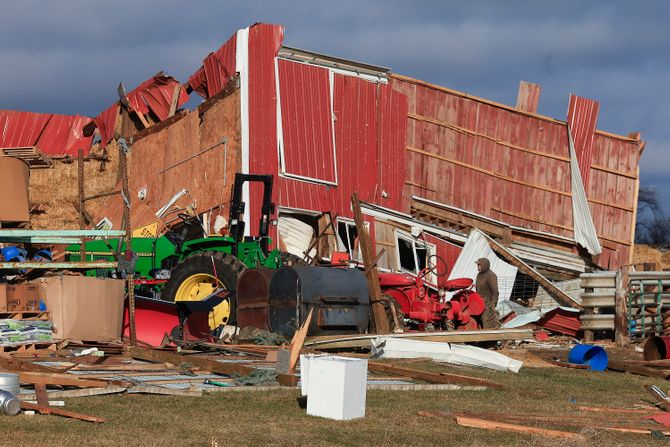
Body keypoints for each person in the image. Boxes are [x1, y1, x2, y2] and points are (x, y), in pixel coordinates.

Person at [475, 258, 500, 329]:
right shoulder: (479, 275)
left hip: (488, 303)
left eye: (479, 265)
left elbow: (495, 291)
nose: (478, 267)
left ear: (484, 265)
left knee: (487, 320)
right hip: (479, 301)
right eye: (477, 265)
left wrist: (493, 303)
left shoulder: (491, 275)